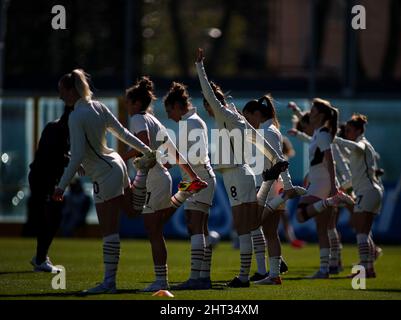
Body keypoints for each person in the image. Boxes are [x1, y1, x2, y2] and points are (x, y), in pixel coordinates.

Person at [195, 48, 303, 287]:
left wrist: (199, 66)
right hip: (236, 173)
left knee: (247, 227)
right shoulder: (237, 118)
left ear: (211, 102)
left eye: (208, 105)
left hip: (236, 173)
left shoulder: (225, 114)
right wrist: (285, 178)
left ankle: (244, 276)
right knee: (248, 226)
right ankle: (248, 274)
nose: (208, 110)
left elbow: (209, 93)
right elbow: (267, 148)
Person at [52, 69, 157, 295]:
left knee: (109, 231)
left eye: (62, 92)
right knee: (131, 211)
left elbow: (78, 154)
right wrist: (147, 151)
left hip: (104, 174)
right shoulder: (98, 107)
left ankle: (109, 282)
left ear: (71, 91)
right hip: (116, 165)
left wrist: (61, 186)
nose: (61, 97)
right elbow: (123, 134)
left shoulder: (75, 116)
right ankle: (142, 176)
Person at [122, 77, 208, 292]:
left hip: (153, 177)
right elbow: (175, 154)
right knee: (155, 226)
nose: (126, 106)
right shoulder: (154, 121)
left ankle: (161, 280)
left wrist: (119, 157)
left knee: (153, 229)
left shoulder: (138, 119)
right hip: (161, 176)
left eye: (128, 102)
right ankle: (185, 192)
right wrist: (192, 176)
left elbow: (142, 144)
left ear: (136, 103)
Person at [287, 98, 354, 279]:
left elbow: (329, 160)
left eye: (315, 112)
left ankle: (331, 200)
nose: (312, 115)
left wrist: (333, 186)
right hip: (318, 180)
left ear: (322, 115)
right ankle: (324, 270)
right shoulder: (318, 133)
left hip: (322, 183)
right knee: (322, 228)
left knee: (301, 215)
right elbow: (317, 159)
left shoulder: (323, 133)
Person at [163, 82, 217, 290]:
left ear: (178, 106)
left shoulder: (191, 123)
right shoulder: (194, 121)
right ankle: (203, 277)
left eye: (169, 110)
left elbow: (191, 157)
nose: (168, 115)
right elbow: (187, 155)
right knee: (197, 226)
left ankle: (196, 278)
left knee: (195, 225)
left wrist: (163, 162)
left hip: (198, 178)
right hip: (197, 177)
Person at [242, 95, 301, 285]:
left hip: (271, 187)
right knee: (268, 231)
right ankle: (274, 272)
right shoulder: (269, 130)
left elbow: (280, 161)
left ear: (257, 114)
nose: (248, 122)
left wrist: (288, 187)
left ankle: (273, 274)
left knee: (259, 227)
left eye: (248, 118)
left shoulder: (268, 132)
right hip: (271, 186)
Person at [25, 101, 74, 273]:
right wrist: (71, 160)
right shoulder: (59, 130)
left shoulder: (58, 128)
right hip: (42, 178)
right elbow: (51, 156)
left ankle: (40, 256)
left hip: (45, 178)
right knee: (51, 217)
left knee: (52, 217)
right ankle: (40, 259)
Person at [334, 114, 383, 278]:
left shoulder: (362, 144)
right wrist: (343, 187)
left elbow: (357, 147)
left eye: (348, 131)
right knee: (365, 231)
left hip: (367, 192)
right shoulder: (359, 149)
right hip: (371, 191)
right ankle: (368, 269)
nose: (346, 133)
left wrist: (335, 139)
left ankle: (363, 269)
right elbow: (356, 175)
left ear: (357, 130)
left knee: (361, 232)